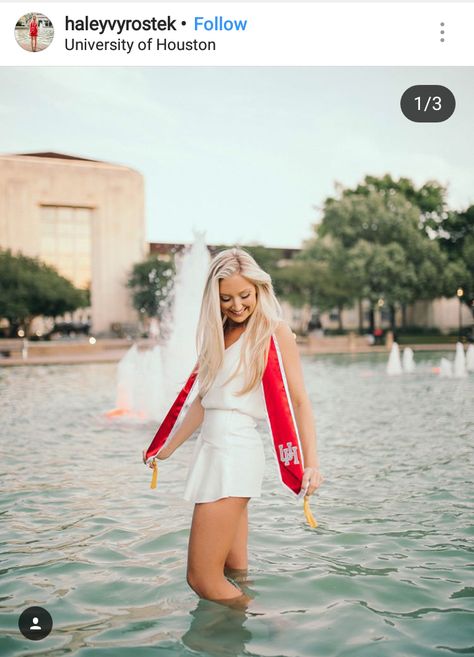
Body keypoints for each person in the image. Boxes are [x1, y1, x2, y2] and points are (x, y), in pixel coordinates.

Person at [142, 248, 324, 608]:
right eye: (226, 298)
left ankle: (270, 623)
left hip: (235, 453)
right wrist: (168, 448)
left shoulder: (275, 332)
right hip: (213, 450)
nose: (237, 305)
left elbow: (299, 400)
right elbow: (203, 401)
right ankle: (236, 640)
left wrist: (312, 464)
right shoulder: (217, 333)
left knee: (202, 578)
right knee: (233, 569)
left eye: (245, 295)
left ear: (259, 290)